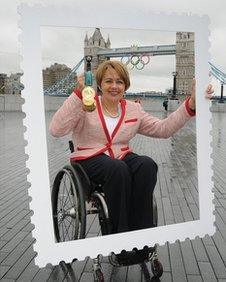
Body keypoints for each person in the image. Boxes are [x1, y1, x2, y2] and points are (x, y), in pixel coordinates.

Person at [49, 60, 214, 235]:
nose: (114, 86)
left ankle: (142, 235)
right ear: (99, 84)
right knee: (118, 169)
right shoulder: (86, 104)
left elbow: (163, 129)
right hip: (89, 159)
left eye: (119, 82)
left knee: (147, 165)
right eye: (108, 81)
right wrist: (78, 95)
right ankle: (119, 238)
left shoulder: (133, 109)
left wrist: (191, 104)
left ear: (125, 86)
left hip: (119, 158)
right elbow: (56, 130)